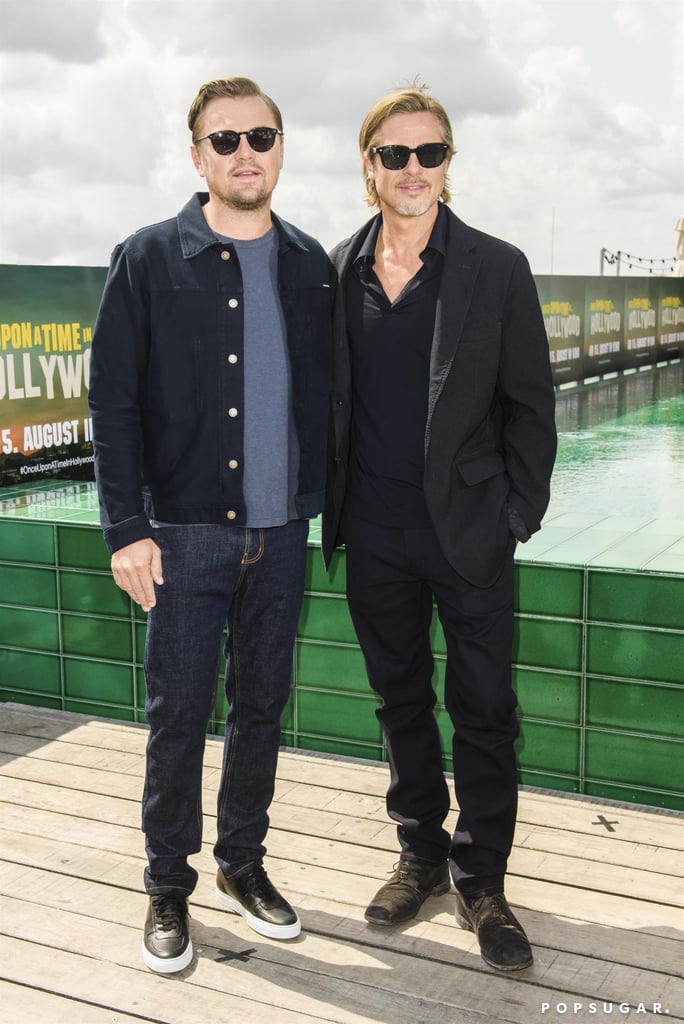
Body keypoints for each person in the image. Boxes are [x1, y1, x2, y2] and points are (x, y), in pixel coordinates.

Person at [89, 76, 332, 974]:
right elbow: (110, 402)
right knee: (178, 715)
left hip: (282, 534)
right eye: (224, 139)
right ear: (197, 155)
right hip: (182, 532)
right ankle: (166, 887)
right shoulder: (149, 257)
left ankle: (243, 866)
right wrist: (126, 528)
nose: (244, 153)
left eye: (260, 137)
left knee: (262, 708)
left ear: (280, 148)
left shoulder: (312, 263)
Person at [323, 83, 556, 972]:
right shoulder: (337, 267)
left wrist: (513, 518)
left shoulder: (497, 268)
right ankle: (420, 851)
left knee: (486, 710)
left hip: (470, 533)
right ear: (370, 167)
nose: (412, 170)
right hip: (374, 532)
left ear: (449, 164)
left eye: (429, 154)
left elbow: (532, 410)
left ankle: (481, 875)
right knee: (401, 702)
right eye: (395, 155)